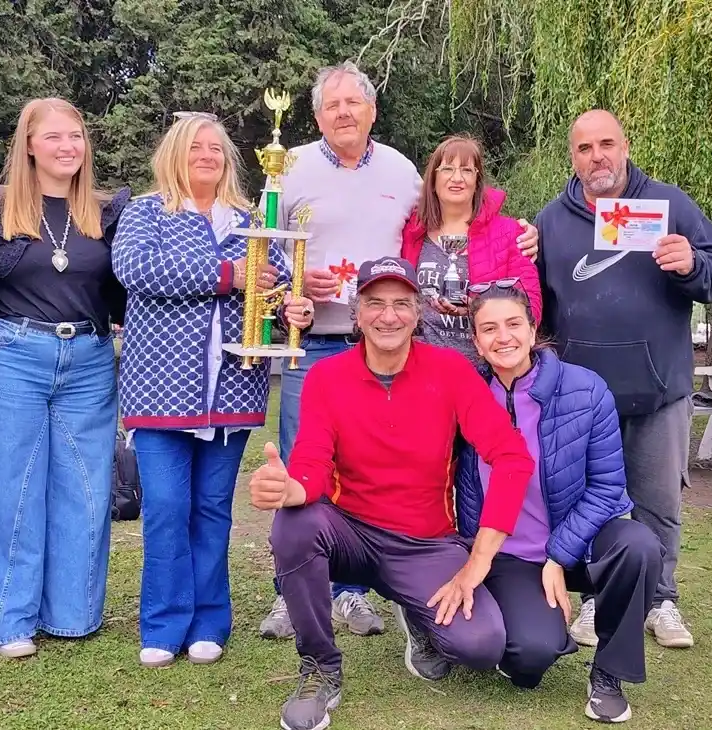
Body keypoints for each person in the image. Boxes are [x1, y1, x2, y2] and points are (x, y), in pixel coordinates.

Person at [259, 61, 540, 641]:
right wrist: (292, 286)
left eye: (353, 104)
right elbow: (268, 251)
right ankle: (295, 592)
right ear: (316, 116)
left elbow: (451, 209)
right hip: (314, 340)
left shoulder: (401, 169)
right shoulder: (290, 166)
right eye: (332, 105)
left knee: (424, 470)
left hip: (402, 346)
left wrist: (516, 229)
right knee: (303, 464)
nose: (343, 113)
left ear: (372, 112)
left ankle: (365, 591)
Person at [248, 257, 535, 730]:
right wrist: (291, 488)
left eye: (401, 304)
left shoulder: (451, 370)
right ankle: (320, 664)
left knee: (481, 647)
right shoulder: (327, 376)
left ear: (418, 313)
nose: (388, 316)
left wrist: (478, 559)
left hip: (425, 543)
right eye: (375, 303)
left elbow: (511, 457)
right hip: (351, 534)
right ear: (356, 313)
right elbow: (313, 463)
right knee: (295, 523)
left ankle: (416, 612)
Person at [114, 114, 316, 668]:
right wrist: (229, 276)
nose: (207, 155)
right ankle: (162, 621)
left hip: (232, 389)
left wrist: (294, 310)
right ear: (174, 154)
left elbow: (275, 290)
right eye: (195, 147)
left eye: (216, 148)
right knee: (165, 508)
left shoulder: (253, 220)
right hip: (161, 390)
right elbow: (136, 269)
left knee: (210, 509)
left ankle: (209, 621)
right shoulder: (145, 213)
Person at [535, 109, 712, 650]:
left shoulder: (669, 205)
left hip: (658, 388)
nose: (597, 156)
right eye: (584, 148)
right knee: (588, 501)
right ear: (572, 157)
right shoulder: (551, 221)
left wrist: (692, 262)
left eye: (607, 144)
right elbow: (538, 307)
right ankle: (600, 594)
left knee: (658, 500)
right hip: (580, 396)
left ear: (625, 146)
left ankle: (663, 598)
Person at [0, 98, 130, 658]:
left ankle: (72, 614)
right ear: (28, 144)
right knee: (7, 487)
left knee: (83, 488)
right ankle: (2, 621)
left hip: (90, 356)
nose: (67, 147)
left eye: (76, 136)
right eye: (53, 137)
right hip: (15, 353)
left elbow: (124, 292)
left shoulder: (106, 212)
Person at [456, 283, 661, 723]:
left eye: (513, 324)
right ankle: (529, 631)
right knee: (529, 658)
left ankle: (608, 674)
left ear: (533, 330)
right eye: (488, 328)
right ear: (475, 341)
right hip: (509, 553)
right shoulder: (466, 396)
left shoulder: (586, 391)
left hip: (580, 542)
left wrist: (558, 555)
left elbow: (608, 486)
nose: (503, 337)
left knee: (639, 546)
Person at [401, 134, 542, 360]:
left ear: (477, 181)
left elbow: (530, 303)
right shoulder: (411, 232)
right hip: (421, 365)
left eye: (467, 170)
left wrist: (481, 309)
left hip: (487, 367)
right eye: (447, 169)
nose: (457, 178)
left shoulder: (510, 233)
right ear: (433, 180)